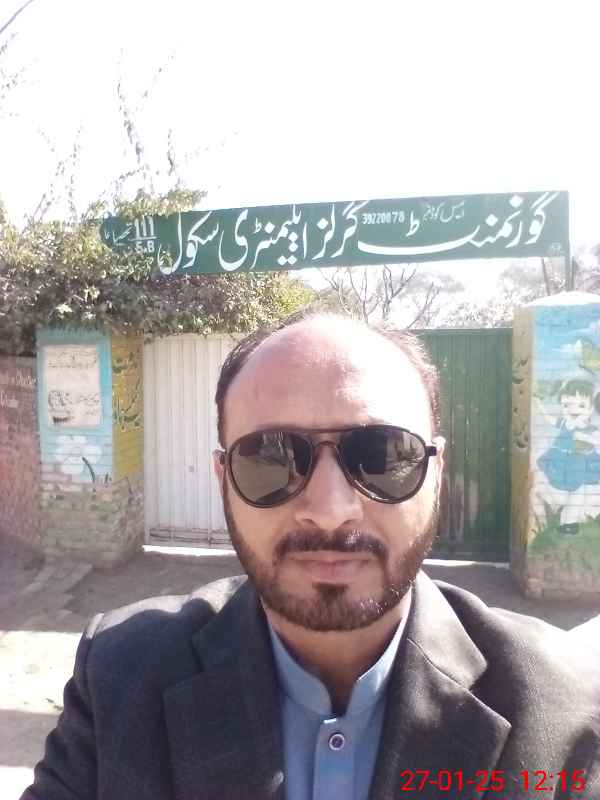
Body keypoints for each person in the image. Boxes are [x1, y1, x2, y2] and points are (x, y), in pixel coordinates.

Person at [23, 312, 600, 800]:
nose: (329, 510)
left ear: (437, 473)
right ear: (223, 480)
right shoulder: (120, 676)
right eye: (271, 458)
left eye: (383, 455)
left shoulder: (565, 707)